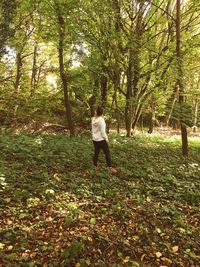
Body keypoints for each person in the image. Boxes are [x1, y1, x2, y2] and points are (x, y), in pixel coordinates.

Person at [91, 106, 117, 174]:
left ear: (96, 111)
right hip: (101, 139)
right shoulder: (101, 120)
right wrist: (106, 139)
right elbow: (103, 131)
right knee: (107, 153)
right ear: (102, 113)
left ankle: (95, 166)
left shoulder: (93, 119)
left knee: (96, 152)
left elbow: (93, 129)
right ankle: (110, 168)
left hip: (95, 139)